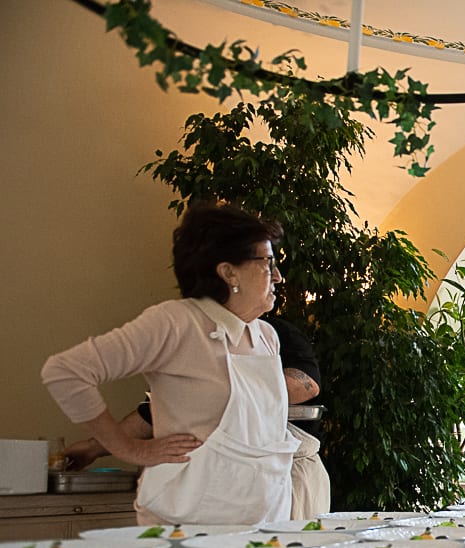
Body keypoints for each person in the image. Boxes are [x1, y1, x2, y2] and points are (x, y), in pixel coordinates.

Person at [42, 201, 300, 526]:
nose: (277, 275)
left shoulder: (266, 336)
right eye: (266, 262)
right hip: (188, 521)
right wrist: (129, 449)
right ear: (228, 271)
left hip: (263, 519)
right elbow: (66, 372)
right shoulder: (176, 322)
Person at [61, 315, 331, 520]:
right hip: (220, 483)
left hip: (288, 474)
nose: (275, 279)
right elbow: (152, 413)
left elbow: (305, 385)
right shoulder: (189, 339)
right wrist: (95, 447)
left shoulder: (271, 333)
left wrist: (215, 394)